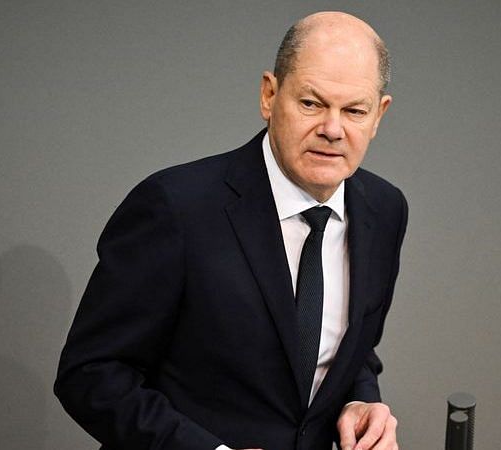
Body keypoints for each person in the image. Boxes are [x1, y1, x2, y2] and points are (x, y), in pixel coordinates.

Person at [55, 11, 407, 450]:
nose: (332, 130)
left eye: (354, 110)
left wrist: (359, 401)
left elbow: (350, 354)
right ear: (269, 95)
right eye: (311, 103)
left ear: (379, 115)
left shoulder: (385, 210)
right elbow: (91, 375)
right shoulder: (175, 207)